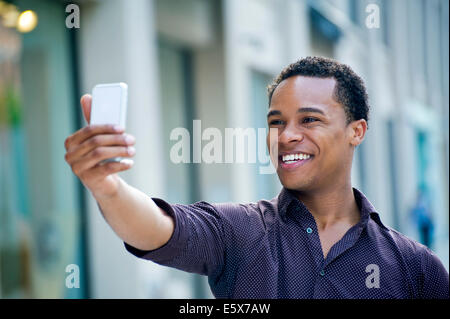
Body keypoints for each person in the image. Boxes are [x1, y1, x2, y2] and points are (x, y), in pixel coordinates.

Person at [64, 56, 449, 298]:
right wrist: (108, 189)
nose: (286, 135)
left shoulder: (416, 269)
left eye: (309, 120)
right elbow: (159, 227)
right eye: (276, 122)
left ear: (356, 131)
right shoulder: (240, 231)